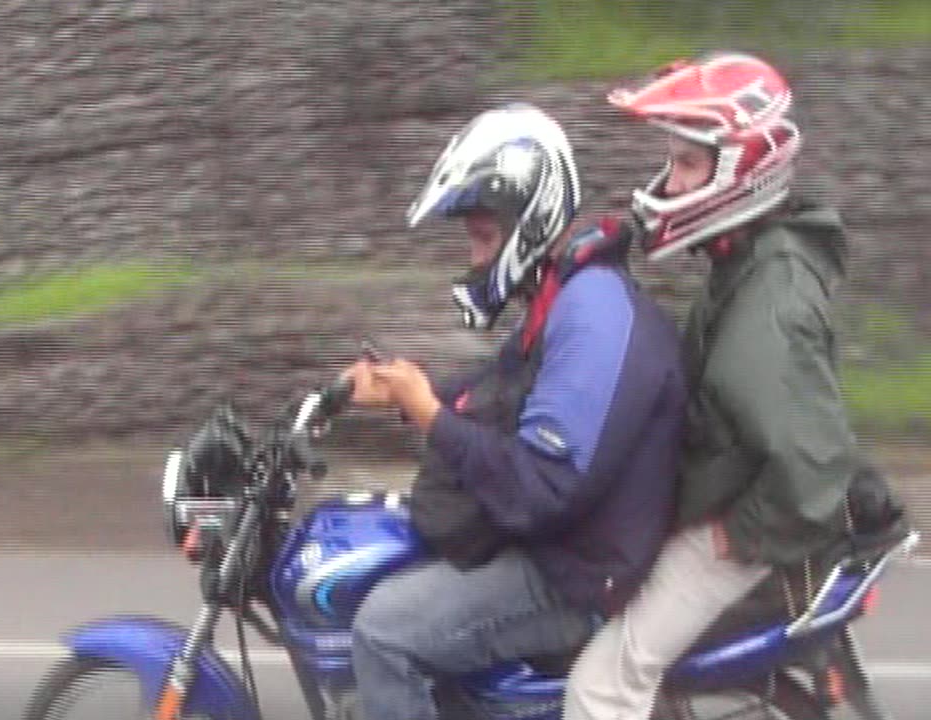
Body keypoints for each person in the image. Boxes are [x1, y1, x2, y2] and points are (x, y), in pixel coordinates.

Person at [342, 102, 687, 720]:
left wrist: (430, 416)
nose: (474, 260)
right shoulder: (564, 289)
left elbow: (538, 488)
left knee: (383, 632)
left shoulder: (591, 316)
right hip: (569, 536)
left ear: (527, 219)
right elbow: (501, 388)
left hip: (579, 569)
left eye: (482, 237)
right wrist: (405, 396)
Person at [563, 51, 875, 719]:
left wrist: (737, 536)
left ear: (743, 169)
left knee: (598, 688)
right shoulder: (748, 252)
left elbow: (812, 461)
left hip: (745, 525)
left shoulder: (773, 304)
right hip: (717, 486)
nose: (669, 185)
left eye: (687, 165)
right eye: (672, 163)